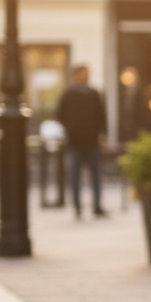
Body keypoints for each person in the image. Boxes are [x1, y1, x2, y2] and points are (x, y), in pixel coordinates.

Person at [57, 64, 107, 218]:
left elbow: (101, 115)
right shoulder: (69, 94)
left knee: (96, 175)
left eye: (86, 73)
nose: (84, 76)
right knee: (74, 176)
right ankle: (77, 207)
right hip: (74, 141)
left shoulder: (93, 93)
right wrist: (69, 129)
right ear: (75, 75)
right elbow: (60, 114)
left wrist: (103, 135)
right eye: (81, 74)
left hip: (92, 140)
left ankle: (97, 205)